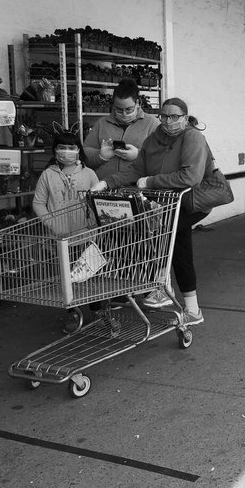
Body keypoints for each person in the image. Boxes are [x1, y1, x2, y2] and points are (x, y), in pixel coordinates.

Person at [90, 97, 210, 325]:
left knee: (161, 235)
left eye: (174, 116)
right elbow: (136, 170)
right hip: (164, 204)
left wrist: (150, 182)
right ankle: (189, 308)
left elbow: (191, 177)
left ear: (184, 118)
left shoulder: (193, 137)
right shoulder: (154, 139)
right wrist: (106, 183)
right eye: (164, 116)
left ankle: (159, 285)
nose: (168, 121)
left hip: (191, 202)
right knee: (179, 248)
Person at [32, 128, 99, 333]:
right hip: (61, 239)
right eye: (62, 148)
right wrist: (53, 224)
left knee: (93, 276)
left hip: (87, 236)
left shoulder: (89, 174)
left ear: (79, 150)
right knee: (67, 279)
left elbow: (97, 202)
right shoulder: (47, 175)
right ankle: (73, 313)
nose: (67, 151)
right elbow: (38, 203)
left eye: (71, 147)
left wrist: (95, 224)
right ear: (55, 151)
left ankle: (100, 311)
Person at [83, 78, 160, 180]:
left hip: (137, 186)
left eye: (128, 109)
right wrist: (100, 156)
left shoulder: (152, 123)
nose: (124, 113)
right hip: (103, 184)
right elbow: (85, 153)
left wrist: (139, 154)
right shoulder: (102, 123)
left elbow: (162, 155)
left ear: (138, 103)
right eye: (118, 109)